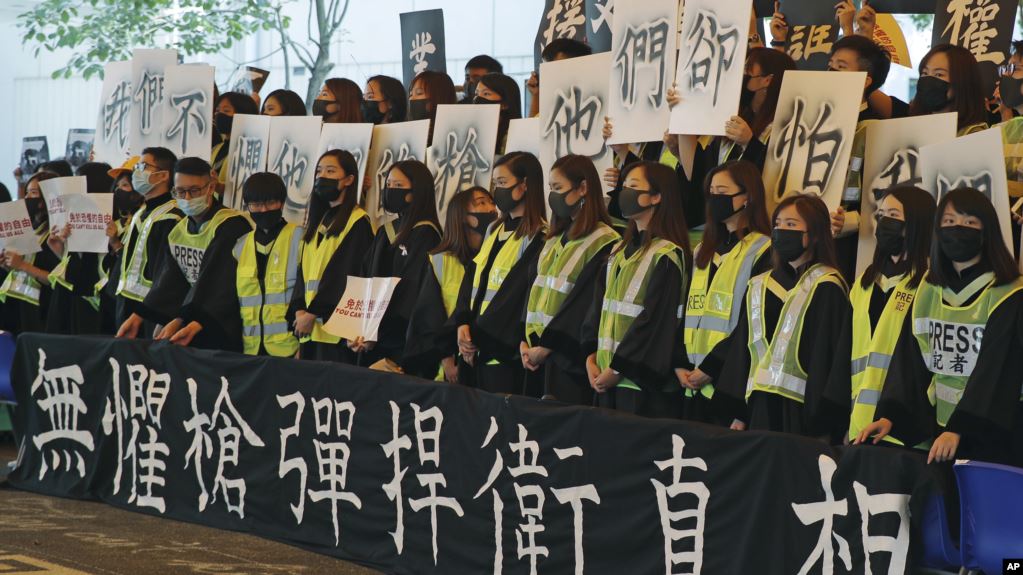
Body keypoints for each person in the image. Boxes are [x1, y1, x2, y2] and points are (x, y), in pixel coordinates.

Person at [857, 188, 1023, 467]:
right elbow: (910, 359)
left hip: (997, 436)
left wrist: (961, 428)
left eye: (969, 222)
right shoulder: (928, 289)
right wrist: (891, 415)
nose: (958, 228)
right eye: (949, 221)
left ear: (987, 231)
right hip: (943, 431)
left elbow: (996, 369)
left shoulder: (1008, 293)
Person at [715, 194, 850, 440]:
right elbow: (743, 351)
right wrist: (738, 413)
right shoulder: (759, 285)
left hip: (801, 413)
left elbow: (827, 358)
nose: (781, 231)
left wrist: (823, 424)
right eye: (777, 224)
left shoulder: (827, 286)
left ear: (815, 233)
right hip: (757, 409)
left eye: (791, 224)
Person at [584, 161, 691, 418]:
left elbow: (655, 321)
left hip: (641, 385)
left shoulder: (667, 254)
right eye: (623, 187)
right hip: (604, 376)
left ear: (656, 196)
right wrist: (591, 357)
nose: (625, 193)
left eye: (633, 186)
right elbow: (599, 309)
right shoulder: (617, 252)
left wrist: (618, 369)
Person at [832, 186, 935, 445]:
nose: (884, 221)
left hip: (907, 430)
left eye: (893, 215)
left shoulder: (930, 284)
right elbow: (844, 354)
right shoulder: (864, 283)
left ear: (916, 223)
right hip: (860, 425)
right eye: (882, 214)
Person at [677, 161, 773, 424]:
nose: (714, 199)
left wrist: (712, 366)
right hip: (690, 382)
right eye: (711, 193)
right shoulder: (702, 250)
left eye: (722, 192)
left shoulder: (764, 250)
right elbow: (686, 310)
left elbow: (752, 323)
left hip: (729, 382)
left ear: (747, 196)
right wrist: (680, 363)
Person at [125, 157, 252, 352]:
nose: (187, 198)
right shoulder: (178, 230)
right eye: (180, 191)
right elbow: (169, 281)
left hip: (223, 326)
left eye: (194, 190)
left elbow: (219, 284)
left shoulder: (231, 225)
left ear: (210, 188)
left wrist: (182, 320)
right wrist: (140, 315)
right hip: (190, 323)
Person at [522, 155, 619, 405]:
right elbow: (534, 289)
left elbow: (583, 304)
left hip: (569, 359)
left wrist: (548, 347)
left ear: (583, 188)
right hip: (535, 356)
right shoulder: (554, 238)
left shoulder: (605, 240)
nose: (552, 196)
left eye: (558, 188)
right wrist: (525, 340)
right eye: (550, 188)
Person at [666, 48, 796, 230]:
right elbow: (700, 174)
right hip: (722, 225)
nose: (740, 78)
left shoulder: (787, 127)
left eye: (746, 71)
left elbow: (781, 179)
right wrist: (683, 111)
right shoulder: (732, 122)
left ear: (767, 80)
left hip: (760, 226)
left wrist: (750, 143)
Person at [455, 151, 547, 395]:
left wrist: (477, 337)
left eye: (503, 183)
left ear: (525, 185)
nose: (497, 191)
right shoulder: (494, 229)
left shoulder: (539, 236)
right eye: (495, 184)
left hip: (502, 355)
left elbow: (516, 295)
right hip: (472, 348)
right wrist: (462, 323)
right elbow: (472, 278)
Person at [404, 187, 496, 382]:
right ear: (463, 217)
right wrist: (447, 359)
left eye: (492, 202)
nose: (492, 209)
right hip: (446, 369)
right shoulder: (441, 260)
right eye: (482, 203)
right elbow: (429, 317)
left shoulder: (495, 258)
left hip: (485, 362)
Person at [291, 150, 374, 362]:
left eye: (330, 171)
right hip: (309, 330)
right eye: (319, 171)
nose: (322, 176)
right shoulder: (317, 222)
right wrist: (299, 310)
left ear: (349, 179)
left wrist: (313, 313)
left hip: (338, 335)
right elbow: (303, 274)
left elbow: (344, 273)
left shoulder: (358, 221)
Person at [357, 160, 442, 367]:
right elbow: (365, 278)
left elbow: (411, 293)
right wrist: (357, 328)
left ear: (417, 191)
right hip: (370, 336)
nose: (391, 190)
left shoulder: (426, 234)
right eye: (389, 184)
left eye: (398, 185)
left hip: (401, 342)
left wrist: (378, 332)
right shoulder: (385, 231)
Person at [827, 34, 893, 280]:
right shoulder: (811, 119)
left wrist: (851, 220)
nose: (832, 72)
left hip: (849, 247)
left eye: (841, 67)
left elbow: (884, 197)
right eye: (831, 65)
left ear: (865, 80)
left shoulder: (875, 129)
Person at [113, 147, 183, 340]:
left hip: (152, 310)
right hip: (127, 302)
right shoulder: (140, 212)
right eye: (136, 166)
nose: (136, 172)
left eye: (143, 166)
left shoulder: (172, 216)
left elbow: (167, 272)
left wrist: (159, 315)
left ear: (163, 175)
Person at [233, 172, 303, 357]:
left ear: (282, 202)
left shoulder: (300, 238)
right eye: (256, 205)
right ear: (247, 206)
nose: (263, 210)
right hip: (251, 350)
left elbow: (307, 295)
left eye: (270, 203)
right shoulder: (240, 246)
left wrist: (305, 347)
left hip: (290, 349)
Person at [45, 161, 114, 335]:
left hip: (98, 302)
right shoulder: (69, 217)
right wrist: (60, 248)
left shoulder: (114, 224)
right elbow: (73, 263)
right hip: (70, 296)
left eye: (79, 182)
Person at [0, 171, 59, 334]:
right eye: (26, 193)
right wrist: (8, 264)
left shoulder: (57, 234)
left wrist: (22, 265)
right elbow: (21, 269)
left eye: (33, 193)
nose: (27, 198)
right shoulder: (34, 228)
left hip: (43, 312)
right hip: (18, 306)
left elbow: (56, 279)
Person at [910, 44, 988, 136]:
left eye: (939, 74)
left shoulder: (974, 135)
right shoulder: (911, 126)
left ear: (962, 81)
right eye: (925, 73)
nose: (928, 79)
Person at [527, 38, 593, 118]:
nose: (553, 75)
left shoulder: (596, 101)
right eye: (548, 69)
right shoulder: (553, 106)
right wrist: (536, 95)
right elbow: (533, 124)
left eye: (561, 68)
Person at [212, 92, 260, 184]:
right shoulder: (216, 148)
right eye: (217, 110)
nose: (219, 115)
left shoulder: (250, 150)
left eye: (226, 111)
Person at [474, 73, 522, 153]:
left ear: (504, 104)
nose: (478, 98)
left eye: (486, 94)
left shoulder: (513, 137)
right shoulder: (474, 131)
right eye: (476, 94)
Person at [408, 71, 458, 145]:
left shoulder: (452, 136)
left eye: (419, 93)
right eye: (410, 94)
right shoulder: (410, 135)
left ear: (439, 97)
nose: (411, 99)